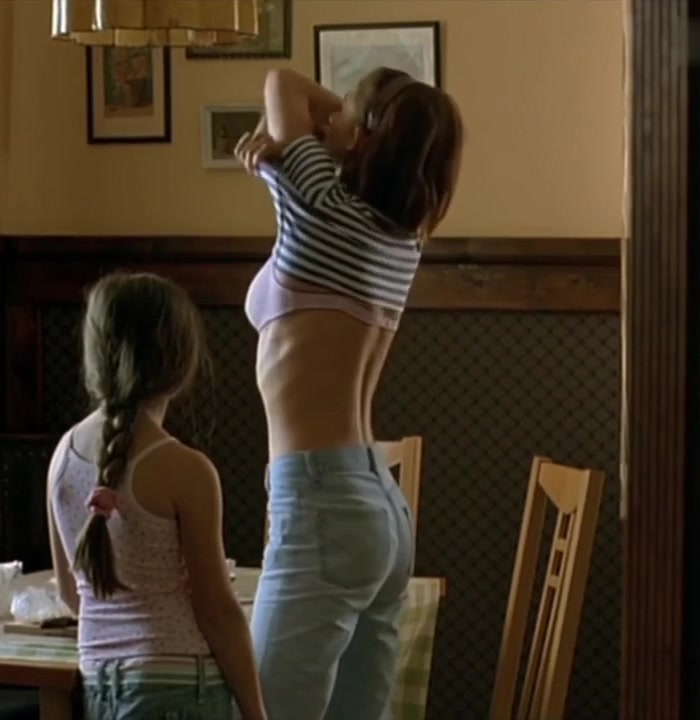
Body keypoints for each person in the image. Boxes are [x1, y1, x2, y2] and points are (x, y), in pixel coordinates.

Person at [231, 66, 466, 720]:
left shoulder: (320, 205)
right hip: (377, 506)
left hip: (321, 501)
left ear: (362, 136)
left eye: (340, 117)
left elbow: (282, 83)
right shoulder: (402, 238)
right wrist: (353, 134)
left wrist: (338, 137)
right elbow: (305, 112)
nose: (325, 120)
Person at [46, 272, 267, 720]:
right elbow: (216, 611)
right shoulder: (185, 469)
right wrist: (256, 712)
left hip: (98, 684)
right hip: (181, 688)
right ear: (180, 363)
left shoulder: (62, 458)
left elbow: (72, 593)